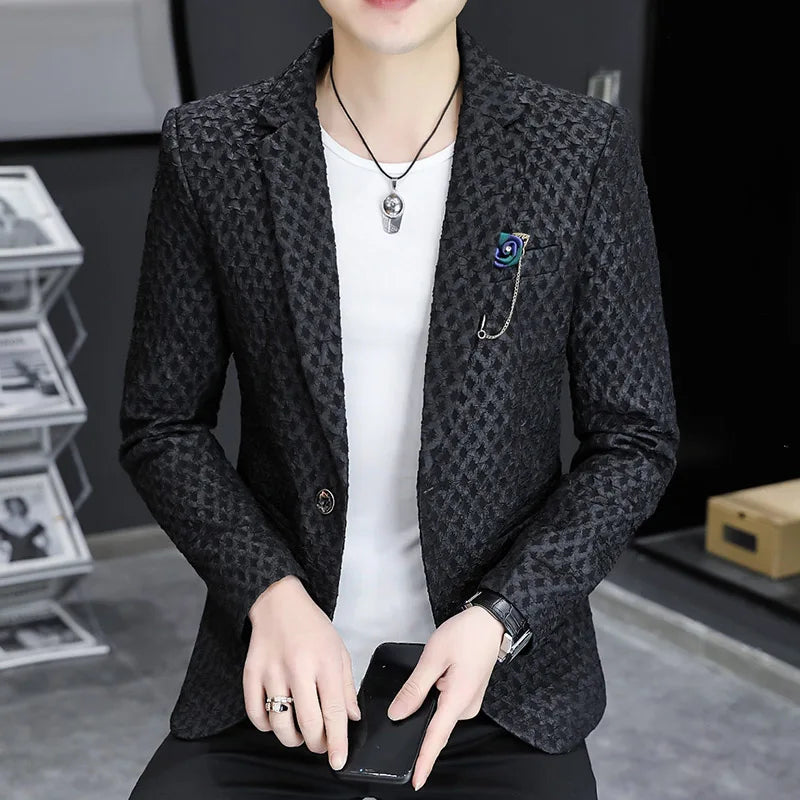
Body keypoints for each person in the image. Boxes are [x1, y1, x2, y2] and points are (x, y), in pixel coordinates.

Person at [121, 1, 679, 798]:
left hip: (499, 689)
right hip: (278, 681)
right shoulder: (214, 148)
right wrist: (270, 596)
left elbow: (634, 439)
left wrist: (503, 615)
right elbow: (162, 423)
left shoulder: (577, 145)